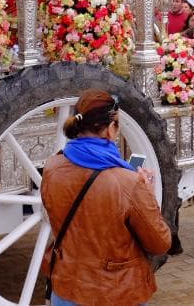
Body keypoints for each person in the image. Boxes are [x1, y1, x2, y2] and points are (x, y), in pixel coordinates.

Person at [40, 91, 170, 306]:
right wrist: (146, 192)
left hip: (66, 288)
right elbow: (160, 243)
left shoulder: (52, 167)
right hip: (115, 293)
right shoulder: (129, 183)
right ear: (110, 129)